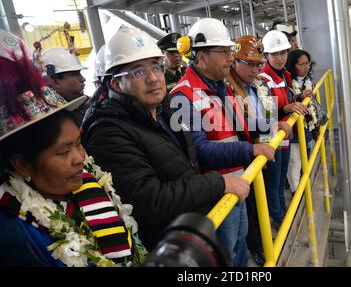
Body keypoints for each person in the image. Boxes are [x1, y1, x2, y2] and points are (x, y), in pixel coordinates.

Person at [81, 27, 249, 251]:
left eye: (156, 67)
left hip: (193, 225)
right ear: (115, 84)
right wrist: (218, 183)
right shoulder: (108, 133)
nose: (152, 78)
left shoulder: (165, 108)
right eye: (138, 72)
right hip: (169, 246)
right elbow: (150, 201)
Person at [0, 30, 146, 267]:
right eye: (63, 151)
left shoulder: (84, 183)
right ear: (22, 164)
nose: (80, 158)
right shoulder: (15, 234)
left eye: (78, 143)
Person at [170, 18, 275, 267]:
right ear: (201, 56)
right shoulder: (181, 97)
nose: (231, 57)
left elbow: (237, 125)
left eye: (230, 51)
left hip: (237, 183)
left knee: (238, 247)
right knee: (223, 255)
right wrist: (250, 149)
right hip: (215, 192)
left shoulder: (222, 87)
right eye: (225, 52)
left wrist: (273, 124)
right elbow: (200, 153)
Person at [227, 35, 292, 266]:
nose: (256, 69)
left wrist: (275, 124)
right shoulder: (228, 90)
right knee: (252, 211)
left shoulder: (259, 84)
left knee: (268, 194)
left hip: (263, 152)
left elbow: (268, 116)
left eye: (258, 64)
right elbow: (236, 127)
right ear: (234, 62)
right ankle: (260, 247)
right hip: (244, 159)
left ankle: (267, 236)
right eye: (250, 64)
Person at [259, 30, 308, 229]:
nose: (280, 58)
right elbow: (266, 115)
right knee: (273, 180)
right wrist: (286, 108)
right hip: (271, 137)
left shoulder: (285, 75)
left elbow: (285, 100)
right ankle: (278, 217)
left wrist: (297, 98)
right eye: (275, 54)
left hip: (284, 134)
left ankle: (281, 211)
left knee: (280, 179)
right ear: (267, 56)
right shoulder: (263, 79)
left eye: (283, 53)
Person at [285, 49, 316, 192]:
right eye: (301, 64)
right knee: (294, 162)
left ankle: (305, 185)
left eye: (307, 64)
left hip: (306, 127)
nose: (306, 67)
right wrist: (299, 96)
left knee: (306, 156)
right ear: (292, 65)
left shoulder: (310, 80)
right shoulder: (287, 81)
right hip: (293, 130)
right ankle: (297, 193)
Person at [42, 47, 88, 125]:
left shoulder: (87, 104)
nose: (83, 79)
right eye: (75, 74)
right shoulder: (48, 121)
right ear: (55, 81)